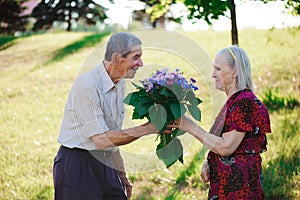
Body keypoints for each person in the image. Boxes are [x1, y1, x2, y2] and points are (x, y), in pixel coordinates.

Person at [53, 32, 158, 200]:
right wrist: (148, 128)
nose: (140, 63)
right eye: (136, 57)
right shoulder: (89, 84)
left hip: (106, 163)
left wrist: (122, 175)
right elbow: (101, 139)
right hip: (77, 165)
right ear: (116, 58)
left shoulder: (120, 83)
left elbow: (112, 138)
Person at [169, 46, 271, 199]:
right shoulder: (235, 102)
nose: (212, 74)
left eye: (217, 69)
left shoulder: (245, 102)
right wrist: (210, 160)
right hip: (227, 188)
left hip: (240, 191)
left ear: (235, 71)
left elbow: (226, 147)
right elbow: (225, 144)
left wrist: (189, 126)